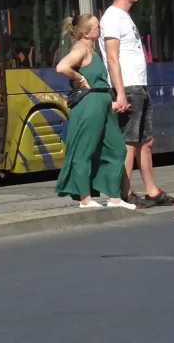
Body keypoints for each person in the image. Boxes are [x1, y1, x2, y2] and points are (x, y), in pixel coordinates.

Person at [100, 0, 174, 209]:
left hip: (139, 85)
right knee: (128, 141)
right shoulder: (112, 17)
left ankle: (152, 191)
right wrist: (121, 91)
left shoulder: (124, 17)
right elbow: (112, 58)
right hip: (129, 87)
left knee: (145, 141)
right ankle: (124, 193)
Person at [54, 14, 135, 210]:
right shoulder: (81, 49)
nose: (100, 30)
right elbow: (62, 67)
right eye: (97, 27)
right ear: (86, 33)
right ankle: (85, 199)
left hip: (101, 104)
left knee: (117, 149)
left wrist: (111, 102)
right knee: (84, 150)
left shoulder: (92, 50)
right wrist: (80, 79)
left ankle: (115, 198)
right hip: (89, 105)